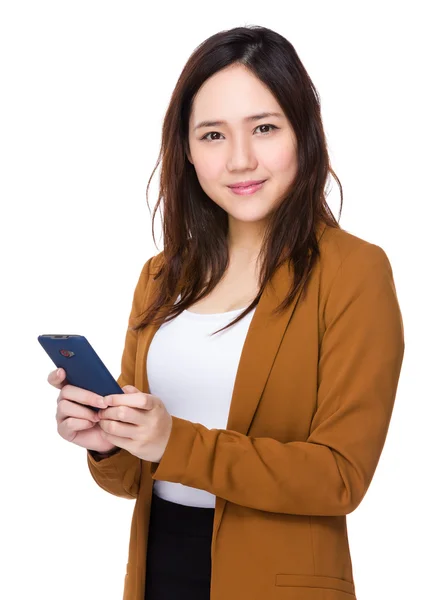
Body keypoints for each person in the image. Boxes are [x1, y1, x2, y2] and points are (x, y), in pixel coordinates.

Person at [49, 25, 405, 600]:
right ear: (187, 150)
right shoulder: (162, 276)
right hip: (160, 568)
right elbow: (136, 479)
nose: (240, 160)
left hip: (278, 582)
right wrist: (107, 440)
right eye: (213, 135)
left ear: (304, 133)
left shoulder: (353, 271)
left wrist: (173, 442)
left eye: (264, 128)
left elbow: (341, 476)